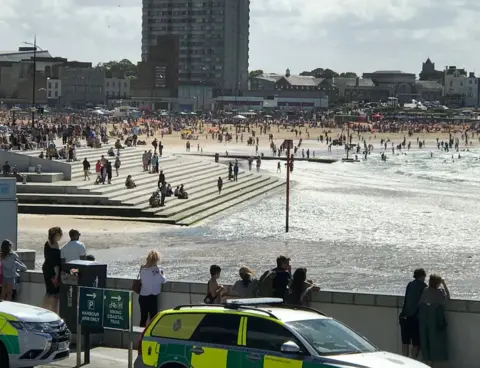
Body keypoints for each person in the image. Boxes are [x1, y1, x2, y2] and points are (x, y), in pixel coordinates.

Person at [418, 274, 450, 366]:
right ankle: (431, 362)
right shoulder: (440, 292)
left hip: (424, 316)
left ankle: (426, 360)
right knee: (434, 339)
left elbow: (421, 302)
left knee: (425, 338)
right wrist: (444, 284)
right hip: (435, 317)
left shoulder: (426, 291)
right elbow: (448, 298)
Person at [400, 268, 427, 359]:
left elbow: (406, 299)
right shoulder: (423, 286)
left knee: (405, 341)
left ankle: (405, 360)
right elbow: (423, 302)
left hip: (405, 316)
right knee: (416, 343)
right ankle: (412, 361)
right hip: (415, 317)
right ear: (423, 276)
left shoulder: (410, 284)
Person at [138, 250, 166, 327]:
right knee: (153, 319)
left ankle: (141, 335)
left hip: (142, 296)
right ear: (156, 260)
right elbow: (163, 280)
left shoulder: (142, 268)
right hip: (152, 296)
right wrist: (163, 274)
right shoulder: (156, 270)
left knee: (143, 318)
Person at [42, 227, 63, 312]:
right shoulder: (55, 245)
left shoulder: (47, 243)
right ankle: (54, 311)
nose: (61, 236)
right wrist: (57, 275)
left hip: (46, 269)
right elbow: (55, 262)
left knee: (49, 292)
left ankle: (44, 309)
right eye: (60, 234)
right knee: (55, 293)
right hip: (53, 271)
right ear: (55, 235)